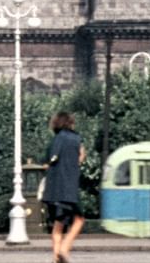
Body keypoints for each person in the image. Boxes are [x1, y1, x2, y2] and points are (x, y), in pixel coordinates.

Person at [43, 111, 86, 263]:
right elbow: (80, 157)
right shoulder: (76, 138)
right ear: (70, 123)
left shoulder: (54, 140)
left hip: (52, 190)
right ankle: (64, 248)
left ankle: (56, 258)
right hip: (69, 189)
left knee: (57, 225)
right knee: (79, 219)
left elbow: (46, 163)